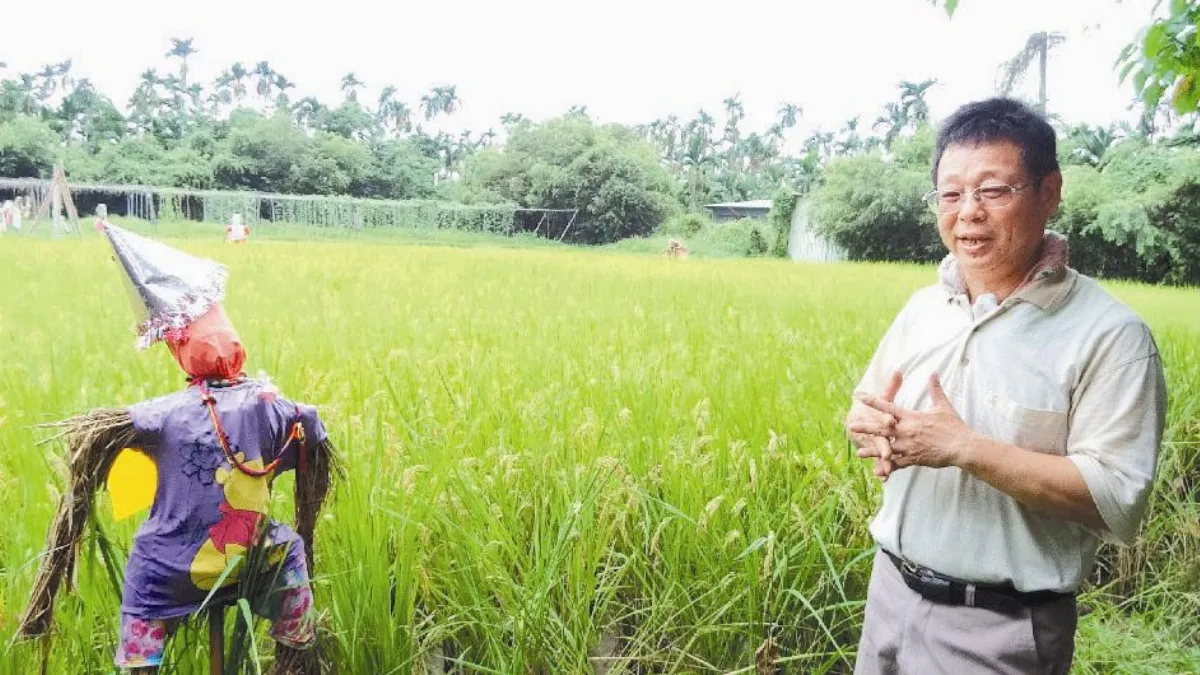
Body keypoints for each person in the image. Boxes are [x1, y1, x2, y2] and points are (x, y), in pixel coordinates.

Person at [846, 97, 1167, 675]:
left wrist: (965, 449)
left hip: (1000, 628)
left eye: (993, 190)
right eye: (950, 194)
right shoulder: (923, 309)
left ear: (1049, 192)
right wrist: (868, 427)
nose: (968, 212)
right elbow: (867, 406)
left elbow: (1116, 498)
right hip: (889, 595)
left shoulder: (1110, 335)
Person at [18, 223, 338, 674]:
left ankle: (140, 665)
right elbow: (315, 435)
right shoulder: (271, 403)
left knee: (142, 576)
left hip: (172, 567)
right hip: (250, 559)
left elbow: (96, 434)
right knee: (291, 551)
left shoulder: (163, 413)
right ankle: (296, 659)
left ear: (181, 350)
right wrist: (304, 516)